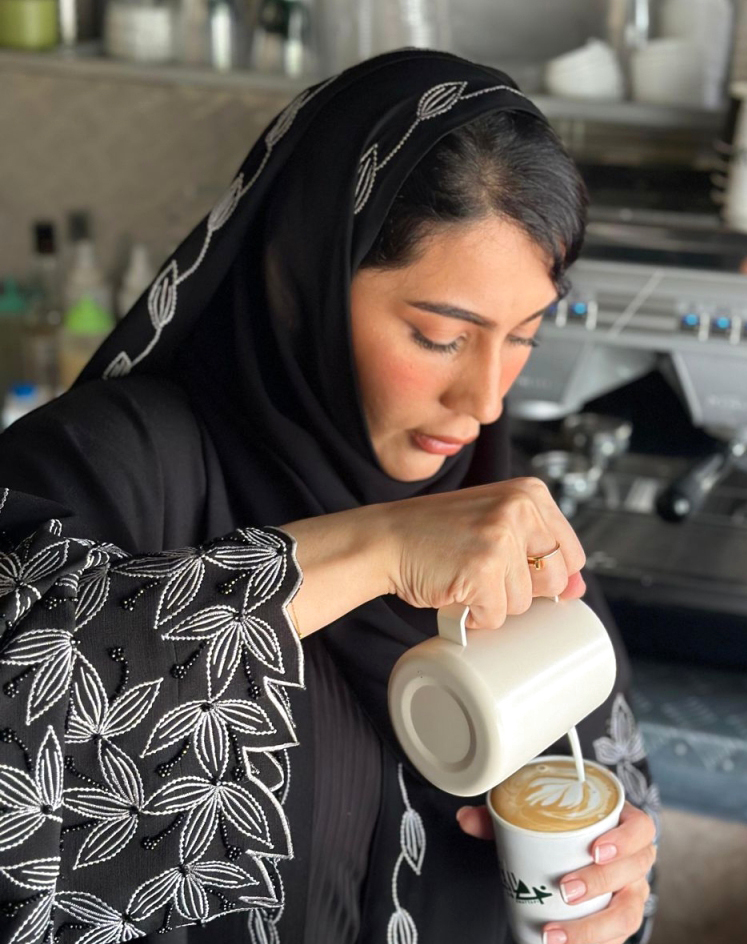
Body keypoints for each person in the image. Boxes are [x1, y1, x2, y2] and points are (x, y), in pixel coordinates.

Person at [0, 50, 659, 944]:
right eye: (439, 337)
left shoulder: (501, 527)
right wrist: (377, 547)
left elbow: (607, 797)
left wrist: (612, 891)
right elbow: (27, 735)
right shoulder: (113, 463)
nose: (485, 402)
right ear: (299, 282)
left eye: (524, 338)